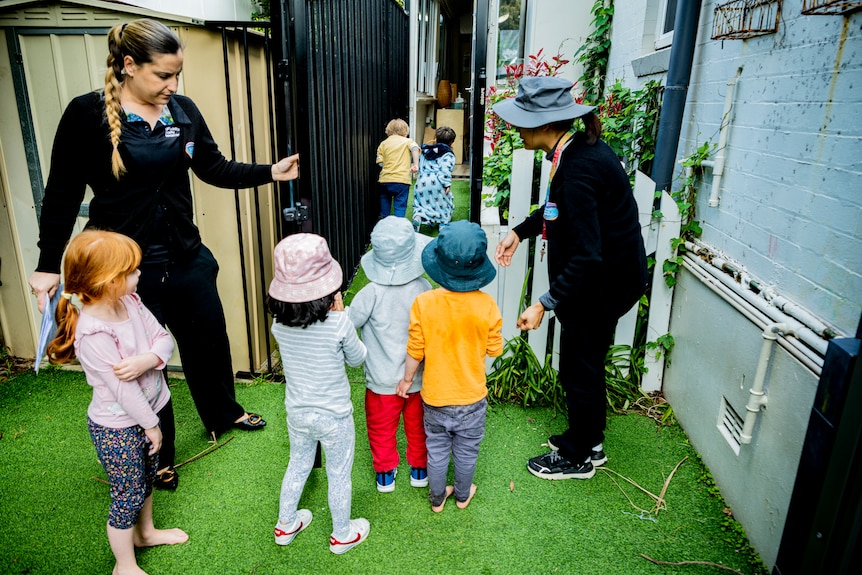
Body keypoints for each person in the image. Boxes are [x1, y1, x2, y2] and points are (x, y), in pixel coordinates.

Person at [28, 18, 300, 490]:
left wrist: (268, 172)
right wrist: (47, 265)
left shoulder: (182, 109)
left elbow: (212, 165)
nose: (173, 86)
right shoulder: (86, 115)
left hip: (185, 254)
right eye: (163, 76)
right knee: (141, 363)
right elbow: (61, 194)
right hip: (124, 271)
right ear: (129, 65)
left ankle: (223, 412)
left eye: (177, 75)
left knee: (209, 342)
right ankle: (160, 452)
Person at [492, 76, 648, 480]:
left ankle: (579, 457)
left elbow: (587, 256)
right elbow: (556, 210)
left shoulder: (579, 167)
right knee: (584, 362)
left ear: (545, 124)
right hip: (607, 277)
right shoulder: (577, 151)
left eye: (521, 121)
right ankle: (589, 440)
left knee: (580, 367)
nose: (516, 129)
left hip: (602, 283)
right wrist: (520, 231)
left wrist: (544, 302)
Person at [46, 230, 188, 575]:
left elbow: (163, 338)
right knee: (128, 494)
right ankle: (124, 565)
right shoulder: (93, 333)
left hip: (149, 410)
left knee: (147, 478)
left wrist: (147, 359)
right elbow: (123, 392)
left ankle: (147, 533)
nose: (139, 275)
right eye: (132, 271)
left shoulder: (132, 302)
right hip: (118, 427)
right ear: (107, 281)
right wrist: (151, 425)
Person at [267, 233, 370, 554]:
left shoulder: (277, 325)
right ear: (328, 291)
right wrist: (343, 317)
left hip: (298, 412)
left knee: (296, 464)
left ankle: (285, 525)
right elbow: (358, 358)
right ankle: (342, 534)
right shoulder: (338, 324)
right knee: (339, 474)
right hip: (335, 416)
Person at [396, 221, 503, 512]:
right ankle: (463, 495)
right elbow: (495, 348)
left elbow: (415, 349)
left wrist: (407, 380)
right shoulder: (488, 305)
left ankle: (436, 498)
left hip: (435, 397)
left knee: (438, 449)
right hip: (472, 396)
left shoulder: (424, 303)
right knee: (467, 451)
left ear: (439, 264)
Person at [348, 216, 432, 492]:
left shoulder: (369, 293)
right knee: (418, 427)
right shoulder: (423, 289)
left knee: (381, 430)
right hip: (418, 378)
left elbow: (349, 323)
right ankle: (419, 471)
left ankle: (385, 474)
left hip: (381, 380)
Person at [412, 126, 457, 231]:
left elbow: (420, 165)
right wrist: (446, 184)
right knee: (444, 203)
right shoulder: (448, 154)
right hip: (437, 182)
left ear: (435, 139)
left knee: (421, 203)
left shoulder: (425, 151)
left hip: (422, 181)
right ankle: (443, 223)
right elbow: (445, 170)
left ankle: (418, 217)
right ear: (452, 143)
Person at [376, 118, 419, 218]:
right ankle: (398, 226)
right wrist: (415, 164)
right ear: (405, 131)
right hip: (402, 180)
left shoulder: (383, 143)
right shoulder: (407, 141)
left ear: (388, 130)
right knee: (400, 206)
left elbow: (380, 162)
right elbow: (415, 148)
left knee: (385, 204)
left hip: (385, 180)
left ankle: (384, 224)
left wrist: (388, 165)